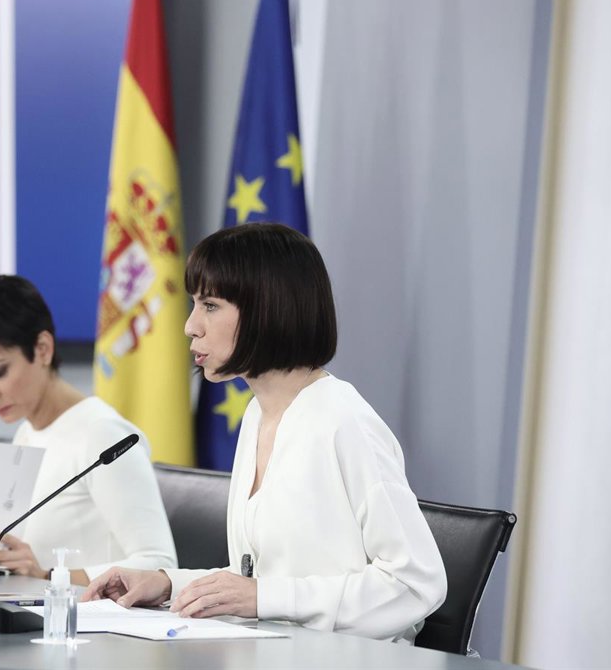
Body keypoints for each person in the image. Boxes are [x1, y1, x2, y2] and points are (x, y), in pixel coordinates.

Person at [84, 223, 446, 642]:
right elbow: (263, 581)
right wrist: (168, 584)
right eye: (195, 304)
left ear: (267, 309)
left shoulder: (345, 423)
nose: (190, 326)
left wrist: (263, 597)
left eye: (210, 305)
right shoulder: (258, 414)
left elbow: (415, 585)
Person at [0, 275, 176, 584]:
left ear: (43, 349)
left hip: (91, 614)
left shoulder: (103, 434)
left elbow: (160, 564)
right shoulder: (26, 432)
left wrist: (48, 575)